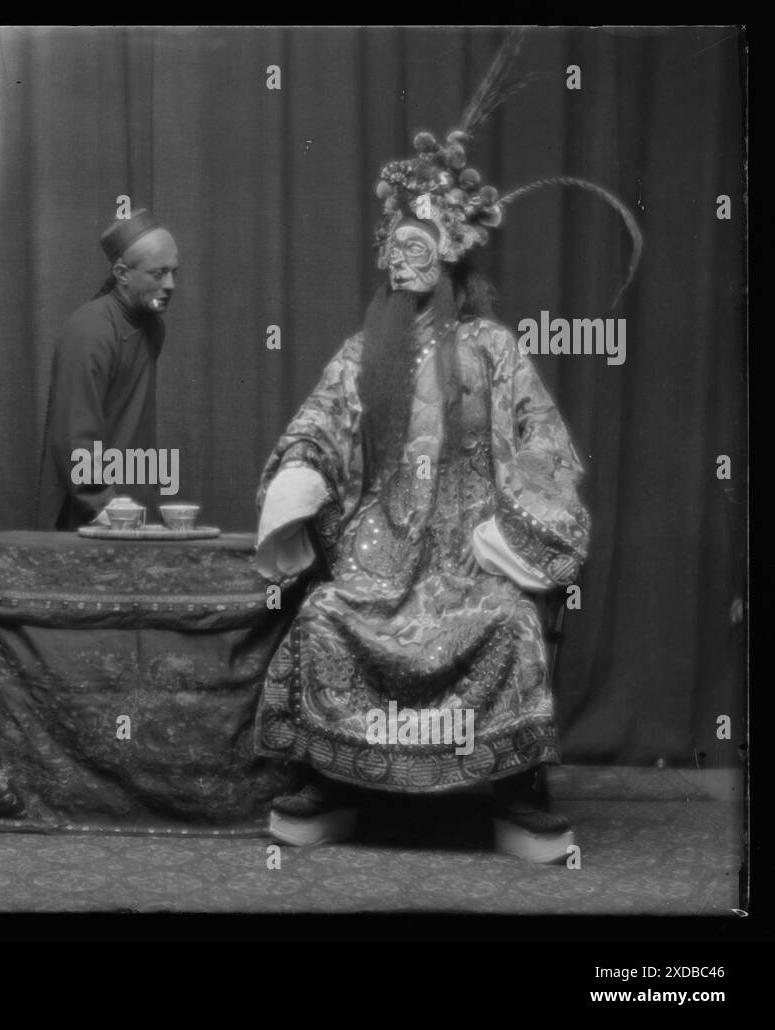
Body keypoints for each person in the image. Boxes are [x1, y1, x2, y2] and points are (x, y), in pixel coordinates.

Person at [252, 61, 640, 861]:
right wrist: (302, 470)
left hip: (469, 556)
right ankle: (331, 776)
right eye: (391, 249)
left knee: (508, 625)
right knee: (326, 618)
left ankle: (518, 784)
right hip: (383, 555)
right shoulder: (366, 352)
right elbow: (321, 421)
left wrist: (516, 527)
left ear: (447, 256)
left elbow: (544, 446)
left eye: (414, 248)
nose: (399, 264)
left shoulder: (494, 350)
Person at [36, 209, 179, 529]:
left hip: (131, 505)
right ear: (121, 273)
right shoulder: (89, 331)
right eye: (159, 273)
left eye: (174, 272)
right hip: (93, 517)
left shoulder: (152, 326)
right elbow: (75, 435)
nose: (171, 284)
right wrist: (105, 505)